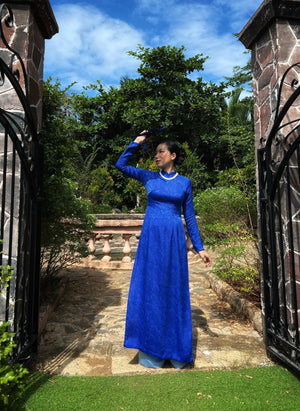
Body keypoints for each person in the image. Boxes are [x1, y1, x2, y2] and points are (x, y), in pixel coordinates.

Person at [115, 131, 212, 369]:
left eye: (161, 151)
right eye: (156, 151)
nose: (156, 155)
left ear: (173, 155)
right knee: (151, 289)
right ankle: (151, 351)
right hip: (151, 240)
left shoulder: (184, 183)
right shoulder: (149, 177)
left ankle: (174, 350)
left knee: (172, 289)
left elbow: (189, 217)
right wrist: (135, 143)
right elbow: (120, 165)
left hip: (173, 241)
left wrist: (200, 248)